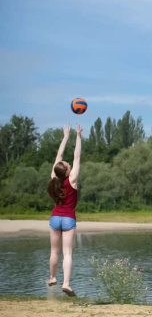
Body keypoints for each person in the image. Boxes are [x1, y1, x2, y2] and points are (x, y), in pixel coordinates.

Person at [46, 123, 83, 297]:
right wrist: (77, 136)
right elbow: (77, 156)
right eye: (67, 165)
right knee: (67, 253)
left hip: (54, 218)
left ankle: (52, 277)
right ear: (67, 171)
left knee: (54, 251)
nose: (68, 163)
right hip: (68, 219)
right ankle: (66, 283)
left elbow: (59, 156)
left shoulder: (54, 178)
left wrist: (65, 136)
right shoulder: (72, 180)